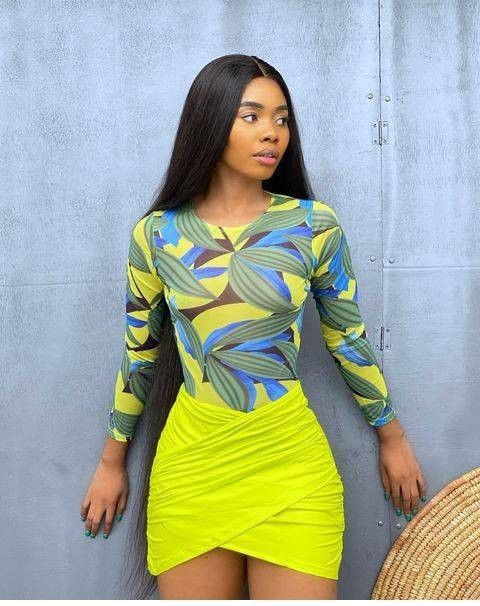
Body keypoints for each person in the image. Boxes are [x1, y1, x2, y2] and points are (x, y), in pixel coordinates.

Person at [80, 54, 426, 600]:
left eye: (282, 118)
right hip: (192, 468)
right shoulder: (156, 235)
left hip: (291, 466)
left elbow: (347, 338)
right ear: (210, 122)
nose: (273, 132)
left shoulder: (313, 226)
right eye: (252, 116)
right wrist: (110, 462)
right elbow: (140, 351)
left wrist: (393, 438)